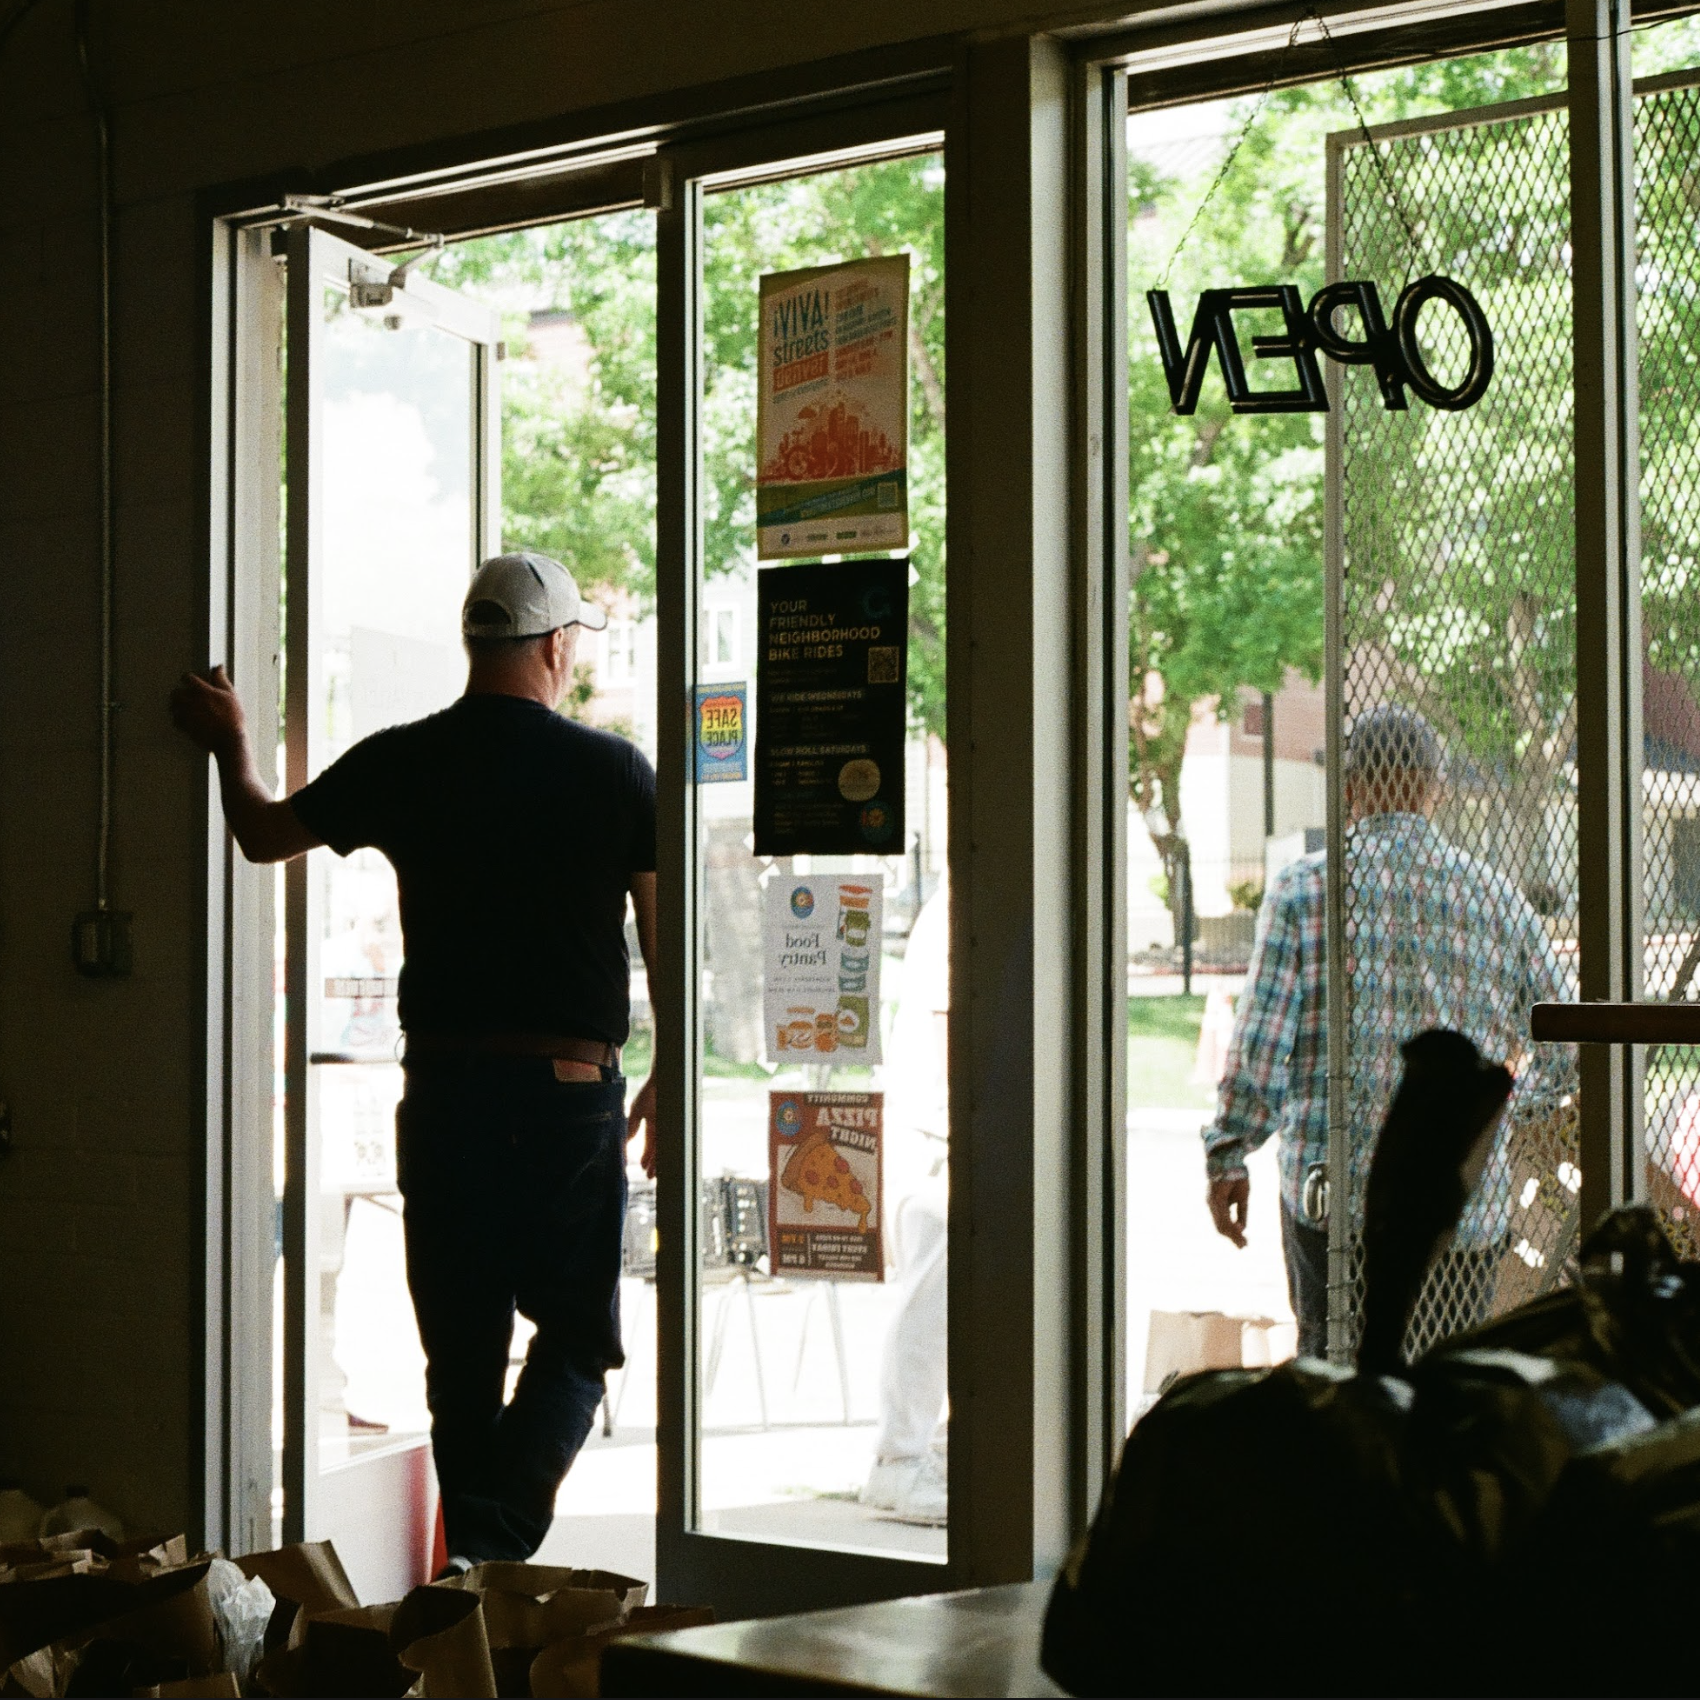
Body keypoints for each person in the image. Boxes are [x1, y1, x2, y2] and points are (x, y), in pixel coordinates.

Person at [171, 551, 658, 1569]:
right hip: (567, 1091)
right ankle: (488, 1551)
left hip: (443, 1094)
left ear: (476, 641)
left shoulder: (405, 757)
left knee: (461, 1361)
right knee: (578, 1340)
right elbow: (663, 937)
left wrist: (233, 741)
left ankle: (476, 1579)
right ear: (557, 646)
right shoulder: (614, 771)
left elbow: (261, 833)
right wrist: (675, 1078)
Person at [1201, 705, 1573, 1358]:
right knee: (1439, 1390)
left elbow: (1260, 1046)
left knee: (1337, 1382)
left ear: (1349, 788)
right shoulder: (1496, 898)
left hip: (1333, 1199)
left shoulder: (1302, 891)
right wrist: (1503, 1117)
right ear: (1438, 789)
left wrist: (1229, 1154)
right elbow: (1564, 1045)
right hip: (1460, 1206)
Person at [861, 873, 949, 1525]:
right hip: (943, 1128)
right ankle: (900, 1459)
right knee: (932, 1302)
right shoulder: (963, 908)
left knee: (952, 1305)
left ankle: (930, 1451)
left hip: (949, 1124)